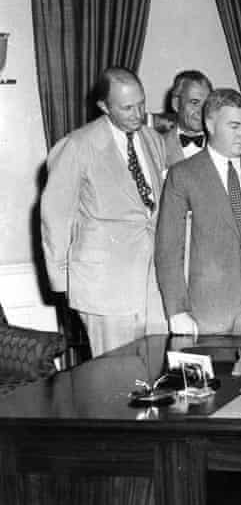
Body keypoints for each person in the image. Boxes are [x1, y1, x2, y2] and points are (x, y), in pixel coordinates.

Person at [41, 66, 167, 356]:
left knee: (158, 374)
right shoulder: (77, 146)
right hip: (105, 285)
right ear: (103, 106)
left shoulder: (153, 140)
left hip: (153, 284)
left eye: (141, 104)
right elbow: (55, 217)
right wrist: (62, 281)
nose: (138, 114)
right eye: (127, 108)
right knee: (115, 379)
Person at [155, 89, 241, 337]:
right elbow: (168, 250)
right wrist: (176, 311)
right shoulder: (183, 175)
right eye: (234, 126)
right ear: (210, 124)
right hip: (205, 310)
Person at [162, 70, 212, 167]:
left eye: (207, 104)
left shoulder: (222, 145)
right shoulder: (158, 146)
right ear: (176, 104)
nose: (202, 111)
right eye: (194, 102)